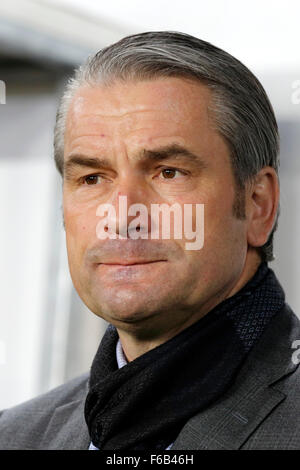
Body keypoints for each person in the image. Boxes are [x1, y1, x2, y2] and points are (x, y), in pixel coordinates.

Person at [0, 31, 299, 451]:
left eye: (168, 172)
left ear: (256, 204)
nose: (122, 216)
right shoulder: (14, 436)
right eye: (91, 178)